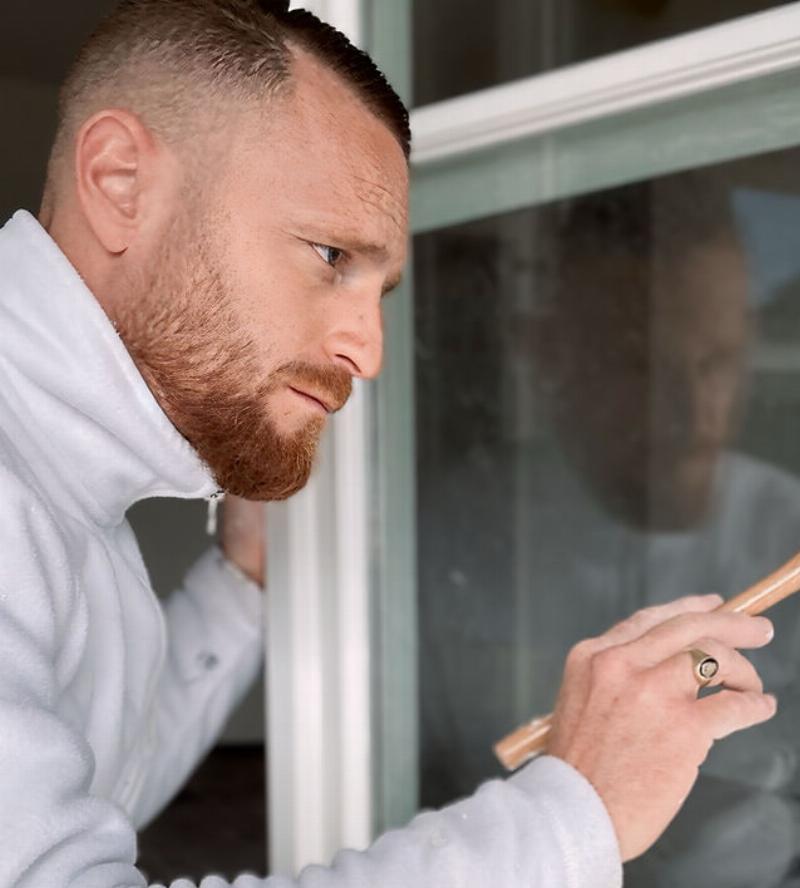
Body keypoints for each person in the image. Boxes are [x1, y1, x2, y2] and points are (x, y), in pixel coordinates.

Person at [0, 3, 778, 887]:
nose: (366, 352)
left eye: (381, 289)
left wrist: (241, 584)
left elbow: (85, 797)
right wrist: (575, 815)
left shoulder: (65, 491)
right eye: (331, 254)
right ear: (119, 181)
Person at [418, 177, 800, 886]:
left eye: (715, 361)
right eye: (642, 367)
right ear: (552, 357)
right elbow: (420, 787)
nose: (692, 412)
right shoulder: (450, 541)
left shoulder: (788, 524)